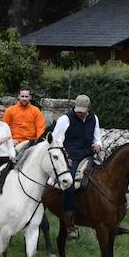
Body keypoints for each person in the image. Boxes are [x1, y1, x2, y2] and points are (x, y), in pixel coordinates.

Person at [51, 94, 103, 240]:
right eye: (78, 110)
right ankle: (69, 225)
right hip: (71, 158)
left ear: (88, 109)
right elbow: (56, 140)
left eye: (83, 111)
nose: (79, 113)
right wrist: (64, 156)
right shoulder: (65, 119)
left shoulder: (94, 118)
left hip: (88, 155)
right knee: (70, 185)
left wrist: (98, 145)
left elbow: (97, 137)